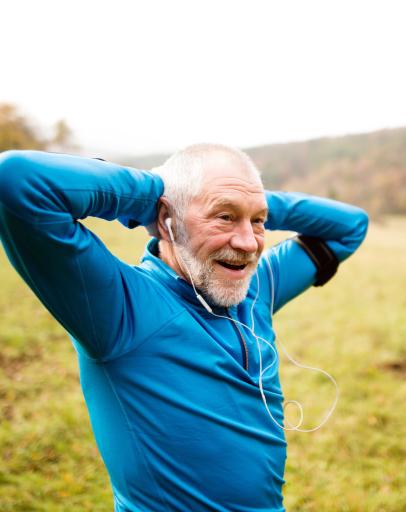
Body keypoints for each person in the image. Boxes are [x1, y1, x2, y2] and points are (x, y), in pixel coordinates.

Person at [0, 145, 369, 512]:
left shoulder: (255, 288)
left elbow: (351, 226)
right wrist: (159, 195)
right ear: (166, 221)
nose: (247, 243)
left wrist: (247, 200)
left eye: (257, 222)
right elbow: (16, 179)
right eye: (224, 217)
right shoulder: (121, 308)